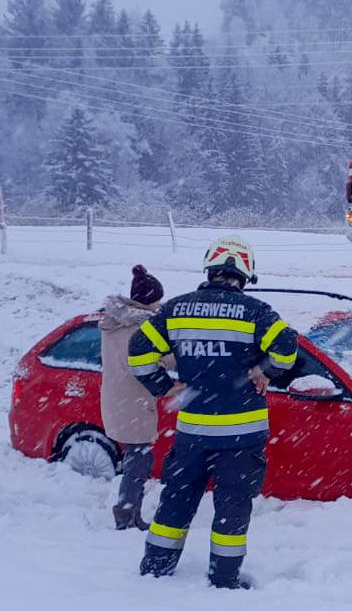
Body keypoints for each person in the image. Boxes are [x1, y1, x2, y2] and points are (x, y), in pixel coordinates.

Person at [128, 235, 298, 589]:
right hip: (242, 432)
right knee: (232, 507)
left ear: (210, 269)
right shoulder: (256, 312)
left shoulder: (176, 309)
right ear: (245, 275)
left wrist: (164, 386)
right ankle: (224, 580)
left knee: (177, 499)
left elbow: (138, 353)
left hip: (193, 432)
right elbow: (286, 349)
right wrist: (265, 372)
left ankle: (156, 569)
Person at [100, 265, 180, 531]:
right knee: (139, 463)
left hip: (120, 398)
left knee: (137, 460)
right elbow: (148, 361)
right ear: (149, 301)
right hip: (133, 401)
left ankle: (130, 513)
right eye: (157, 300)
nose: (160, 305)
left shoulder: (114, 324)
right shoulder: (137, 329)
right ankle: (125, 517)